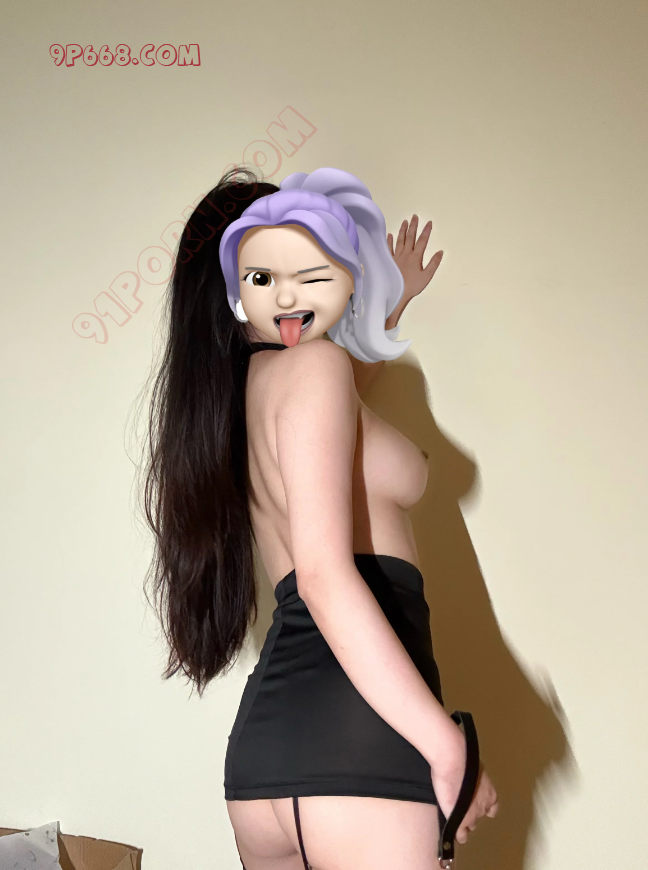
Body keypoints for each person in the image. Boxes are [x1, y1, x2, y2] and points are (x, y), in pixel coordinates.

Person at [141, 165, 498, 870]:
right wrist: (449, 748)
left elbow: (343, 397)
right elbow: (325, 580)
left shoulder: (243, 401)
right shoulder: (313, 370)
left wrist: (392, 300)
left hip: (266, 762)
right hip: (359, 739)